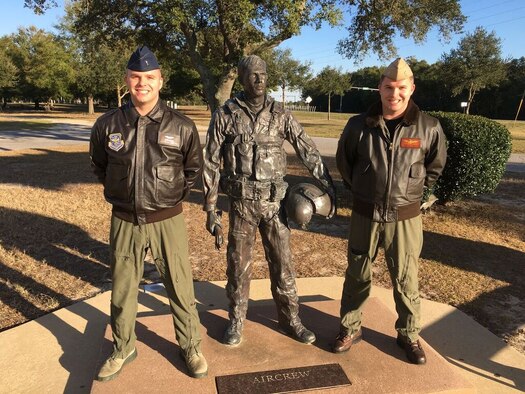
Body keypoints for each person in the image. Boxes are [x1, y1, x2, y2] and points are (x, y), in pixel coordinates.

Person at [89, 46, 207, 381]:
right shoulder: (108, 124)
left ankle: (191, 346)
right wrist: (123, 193)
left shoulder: (181, 126)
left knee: (180, 286)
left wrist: (168, 199)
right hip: (125, 219)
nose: (143, 83)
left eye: (150, 77)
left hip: (167, 220)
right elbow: (99, 165)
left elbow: (192, 170)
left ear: (160, 81)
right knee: (123, 289)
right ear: (127, 79)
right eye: (137, 77)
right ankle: (123, 346)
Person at [202, 55, 336, 347]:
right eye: (253, 75)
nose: (259, 80)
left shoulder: (281, 114)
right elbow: (211, 162)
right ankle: (236, 321)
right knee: (238, 266)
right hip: (241, 207)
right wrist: (211, 208)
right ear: (241, 77)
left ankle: (291, 320)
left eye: (263, 74)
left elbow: (307, 149)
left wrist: (328, 185)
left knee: (283, 265)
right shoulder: (225, 114)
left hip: (276, 207)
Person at [334, 58, 447, 364]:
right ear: (380, 88)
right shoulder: (358, 125)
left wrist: (414, 196)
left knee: (406, 277)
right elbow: (345, 165)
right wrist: (364, 189)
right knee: (357, 273)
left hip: (406, 218)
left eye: (400, 88)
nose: (394, 94)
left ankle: (408, 334)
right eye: (388, 87)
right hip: (364, 215)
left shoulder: (428, 127)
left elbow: (434, 169)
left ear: (411, 88)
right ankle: (350, 328)